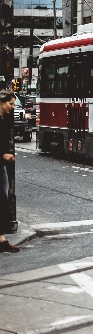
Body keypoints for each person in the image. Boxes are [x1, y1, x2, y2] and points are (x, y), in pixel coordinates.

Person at [0, 90, 20, 253]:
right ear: (1, 102)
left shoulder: (5, 119)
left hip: (1, 165)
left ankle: (2, 239)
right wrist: (3, 154)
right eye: (10, 103)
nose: (12, 107)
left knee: (3, 198)